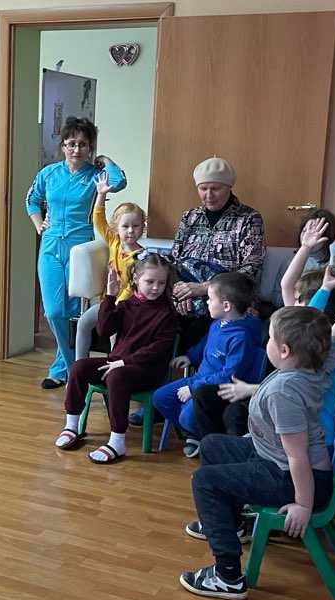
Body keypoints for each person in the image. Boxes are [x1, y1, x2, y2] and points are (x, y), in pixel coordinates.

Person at [180, 268, 335, 600]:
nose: (266, 342)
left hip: (292, 478)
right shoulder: (318, 365)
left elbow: (297, 456)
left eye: (270, 338)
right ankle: (233, 524)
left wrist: (302, 505)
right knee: (212, 445)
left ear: (284, 351)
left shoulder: (285, 392)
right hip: (278, 462)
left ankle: (227, 576)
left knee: (204, 481)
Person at [190, 221, 335, 448]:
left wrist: (249, 389)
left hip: (293, 426)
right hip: (271, 398)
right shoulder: (299, 324)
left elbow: (288, 390)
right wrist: (305, 248)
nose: (292, 301)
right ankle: (219, 448)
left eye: (298, 299)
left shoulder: (316, 348)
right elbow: (287, 284)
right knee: (207, 397)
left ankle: (233, 452)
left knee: (235, 414)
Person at [26, 117, 126, 388]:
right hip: (50, 245)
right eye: (71, 144)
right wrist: (39, 225)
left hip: (79, 247)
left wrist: (105, 160)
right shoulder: (49, 173)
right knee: (53, 311)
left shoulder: (95, 175)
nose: (76, 149)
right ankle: (74, 368)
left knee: (71, 310)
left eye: (83, 144)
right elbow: (32, 200)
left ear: (90, 148)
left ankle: (63, 369)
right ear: (63, 146)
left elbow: (119, 182)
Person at [54, 253, 179, 464]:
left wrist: (125, 362)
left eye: (161, 283)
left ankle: (117, 441)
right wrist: (110, 296)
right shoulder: (128, 304)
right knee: (79, 367)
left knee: (116, 376)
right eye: (150, 282)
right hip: (117, 364)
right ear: (136, 278)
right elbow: (104, 329)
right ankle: (71, 426)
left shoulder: (167, 313)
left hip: (146, 370)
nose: (156, 287)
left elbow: (158, 349)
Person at [151, 271, 265, 459]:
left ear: (226, 306)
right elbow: (206, 343)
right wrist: (191, 357)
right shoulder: (219, 323)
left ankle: (199, 432)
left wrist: (193, 388)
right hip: (199, 379)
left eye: (210, 299)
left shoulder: (241, 337)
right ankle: (195, 431)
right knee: (160, 397)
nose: (206, 303)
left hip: (216, 389)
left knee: (186, 416)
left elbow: (229, 376)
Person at [168, 156, 266, 350]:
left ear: (229, 187)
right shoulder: (190, 217)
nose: (209, 195)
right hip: (187, 293)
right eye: (203, 188)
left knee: (202, 329)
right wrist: (179, 293)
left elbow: (251, 270)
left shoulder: (249, 219)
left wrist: (204, 288)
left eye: (215, 188)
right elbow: (174, 260)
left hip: (227, 298)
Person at [74, 176, 144, 360]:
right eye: (125, 226)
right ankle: (79, 366)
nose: (131, 231)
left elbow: (132, 287)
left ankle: (112, 369)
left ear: (142, 227)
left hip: (125, 306)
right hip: (109, 302)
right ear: (116, 228)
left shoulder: (141, 257)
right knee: (83, 323)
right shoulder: (114, 241)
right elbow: (98, 220)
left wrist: (115, 306)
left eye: (136, 226)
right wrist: (101, 195)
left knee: (116, 336)